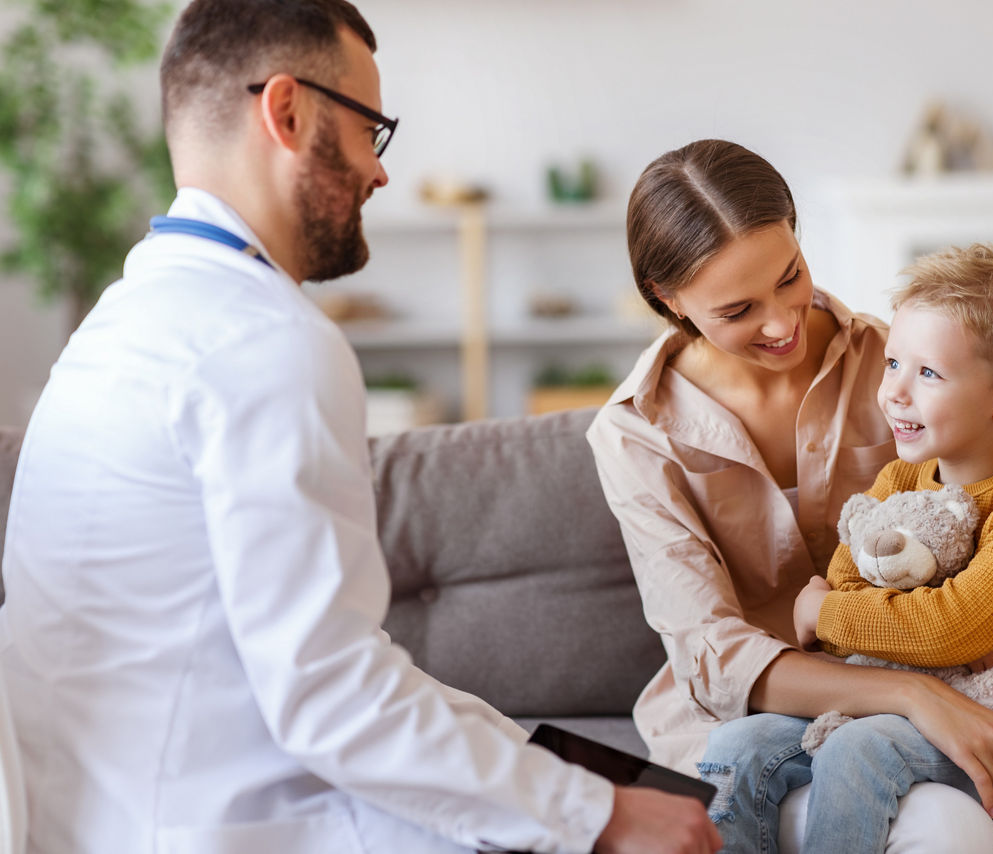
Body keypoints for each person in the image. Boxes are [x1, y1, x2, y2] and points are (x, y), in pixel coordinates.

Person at [0, 3, 720, 853]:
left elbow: (312, 660)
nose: (381, 175)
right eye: (369, 129)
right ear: (288, 111)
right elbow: (330, 696)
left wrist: (532, 759)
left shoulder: (121, 323)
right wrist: (596, 814)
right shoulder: (267, 341)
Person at [586, 139, 993, 853]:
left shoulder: (901, 363)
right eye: (739, 308)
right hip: (773, 736)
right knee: (939, 826)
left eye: (790, 276)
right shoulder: (634, 433)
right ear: (664, 299)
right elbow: (712, 656)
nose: (781, 324)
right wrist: (913, 695)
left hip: (957, 713)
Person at [784, 244, 993, 852]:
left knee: (857, 750)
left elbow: (941, 628)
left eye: (927, 373)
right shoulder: (899, 480)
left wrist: (818, 610)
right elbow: (855, 586)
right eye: (893, 362)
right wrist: (945, 626)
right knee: (739, 749)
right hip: (917, 705)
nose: (895, 392)